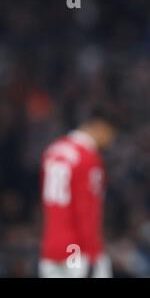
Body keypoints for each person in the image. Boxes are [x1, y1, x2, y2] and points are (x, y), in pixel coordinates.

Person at [39, 108, 117, 278]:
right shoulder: (88, 157)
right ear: (100, 127)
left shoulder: (53, 150)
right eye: (110, 134)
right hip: (77, 252)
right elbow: (87, 211)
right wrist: (93, 253)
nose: (110, 141)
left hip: (50, 250)